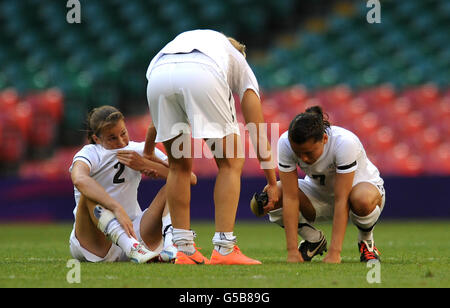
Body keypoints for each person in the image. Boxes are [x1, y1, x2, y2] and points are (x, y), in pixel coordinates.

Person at [144, 29, 279, 265]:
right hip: (201, 72)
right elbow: (256, 128)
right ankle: (225, 248)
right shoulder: (238, 63)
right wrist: (271, 181)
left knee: (178, 166)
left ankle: (184, 250)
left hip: (157, 74)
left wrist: (148, 147)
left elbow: (158, 121)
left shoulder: (201, 41)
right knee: (231, 161)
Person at [251, 106, 385, 264]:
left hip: (358, 193)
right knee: (270, 197)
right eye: (298, 153)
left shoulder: (344, 143)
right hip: (318, 195)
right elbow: (290, 198)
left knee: (361, 198)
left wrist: (335, 253)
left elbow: (342, 199)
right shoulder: (285, 143)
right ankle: (313, 240)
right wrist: (292, 251)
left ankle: (366, 242)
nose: (303, 158)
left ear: (324, 139)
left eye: (308, 152)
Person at [69, 105, 196, 263]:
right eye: (112, 138)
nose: (121, 141)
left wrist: (145, 165)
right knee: (87, 195)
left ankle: (171, 245)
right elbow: (79, 179)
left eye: (123, 133)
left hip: (136, 232)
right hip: (95, 242)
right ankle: (130, 247)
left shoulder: (139, 149)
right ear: (96, 138)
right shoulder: (90, 152)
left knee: (174, 186)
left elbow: (189, 179)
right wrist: (116, 207)